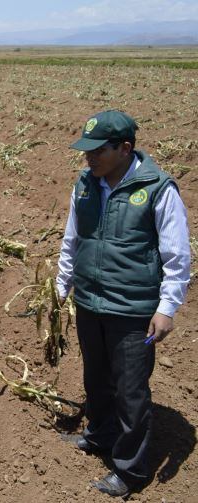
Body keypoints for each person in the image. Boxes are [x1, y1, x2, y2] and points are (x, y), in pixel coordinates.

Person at [55, 110, 190, 497]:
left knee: (131, 390)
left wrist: (167, 307)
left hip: (133, 309)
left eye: (98, 151)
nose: (89, 158)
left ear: (125, 148)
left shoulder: (159, 189)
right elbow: (72, 240)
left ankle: (131, 470)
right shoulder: (85, 184)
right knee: (96, 377)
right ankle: (99, 434)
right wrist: (62, 285)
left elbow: (177, 255)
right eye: (86, 151)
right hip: (91, 301)